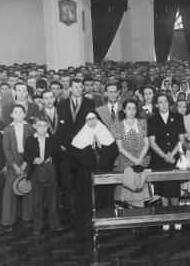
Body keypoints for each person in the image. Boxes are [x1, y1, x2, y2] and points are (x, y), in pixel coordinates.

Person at [70, 111, 115, 240]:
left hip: (104, 174)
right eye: (88, 119)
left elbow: (113, 152)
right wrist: (90, 149)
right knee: (86, 204)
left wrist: (101, 147)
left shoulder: (104, 132)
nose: (92, 121)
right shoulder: (80, 136)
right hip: (86, 176)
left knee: (105, 202)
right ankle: (87, 231)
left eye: (94, 118)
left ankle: (107, 229)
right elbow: (76, 157)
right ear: (85, 121)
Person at [0, 104, 34, 235]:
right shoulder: (7, 129)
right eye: (15, 112)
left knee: (27, 189)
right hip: (12, 164)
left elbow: (33, 147)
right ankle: (6, 222)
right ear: (11, 115)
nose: (18, 115)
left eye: (21, 112)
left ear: (25, 114)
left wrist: (25, 164)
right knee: (8, 192)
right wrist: (14, 165)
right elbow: (6, 149)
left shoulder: (30, 128)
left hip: (27, 163)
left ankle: (27, 218)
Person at [147, 93, 185, 231]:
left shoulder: (178, 117)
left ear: (169, 103)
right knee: (162, 190)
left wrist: (172, 155)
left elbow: (182, 140)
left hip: (174, 158)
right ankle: (165, 218)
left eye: (165, 102)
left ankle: (176, 217)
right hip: (159, 158)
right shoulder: (152, 120)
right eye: (160, 102)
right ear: (156, 105)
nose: (163, 104)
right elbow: (152, 142)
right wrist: (164, 156)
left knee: (174, 189)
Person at [58, 78, 96, 210]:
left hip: (84, 146)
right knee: (67, 177)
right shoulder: (62, 104)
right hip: (67, 147)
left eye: (80, 87)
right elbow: (60, 127)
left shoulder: (89, 103)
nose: (78, 90)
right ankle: (72, 205)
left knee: (83, 176)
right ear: (70, 88)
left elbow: (92, 125)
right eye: (75, 87)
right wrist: (63, 143)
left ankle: (85, 205)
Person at [23, 113, 64, 236]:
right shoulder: (30, 140)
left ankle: (55, 223)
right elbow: (26, 155)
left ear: (47, 126)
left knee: (52, 201)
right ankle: (37, 226)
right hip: (36, 174)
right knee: (37, 201)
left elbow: (59, 154)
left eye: (45, 126)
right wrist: (34, 159)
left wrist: (52, 158)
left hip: (50, 173)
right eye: (39, 126)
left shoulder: (53, 139)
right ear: (34, 126)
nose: (42, 128)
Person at [111, 99, 151, 206]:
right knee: (128, 198)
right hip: (125, 163)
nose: (131, 111)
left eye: (134, 108)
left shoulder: (143, 123)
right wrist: (133, 160)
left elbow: (147, 144)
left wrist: (139, 160)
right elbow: (120, 147)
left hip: (141, 161)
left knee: (141, 197)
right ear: (124, 110)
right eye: (129, 108)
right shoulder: (117, 125)